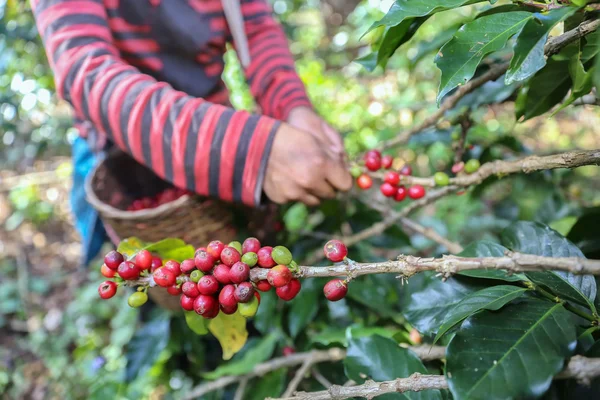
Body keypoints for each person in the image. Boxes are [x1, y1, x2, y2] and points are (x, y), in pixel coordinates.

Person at [31, 0, 352, 265]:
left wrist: (293, 107)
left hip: (213, 125)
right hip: (119, 150)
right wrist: (249, 151)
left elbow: (254, 26)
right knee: (140, 268)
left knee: (232, 269)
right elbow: (86, 72)